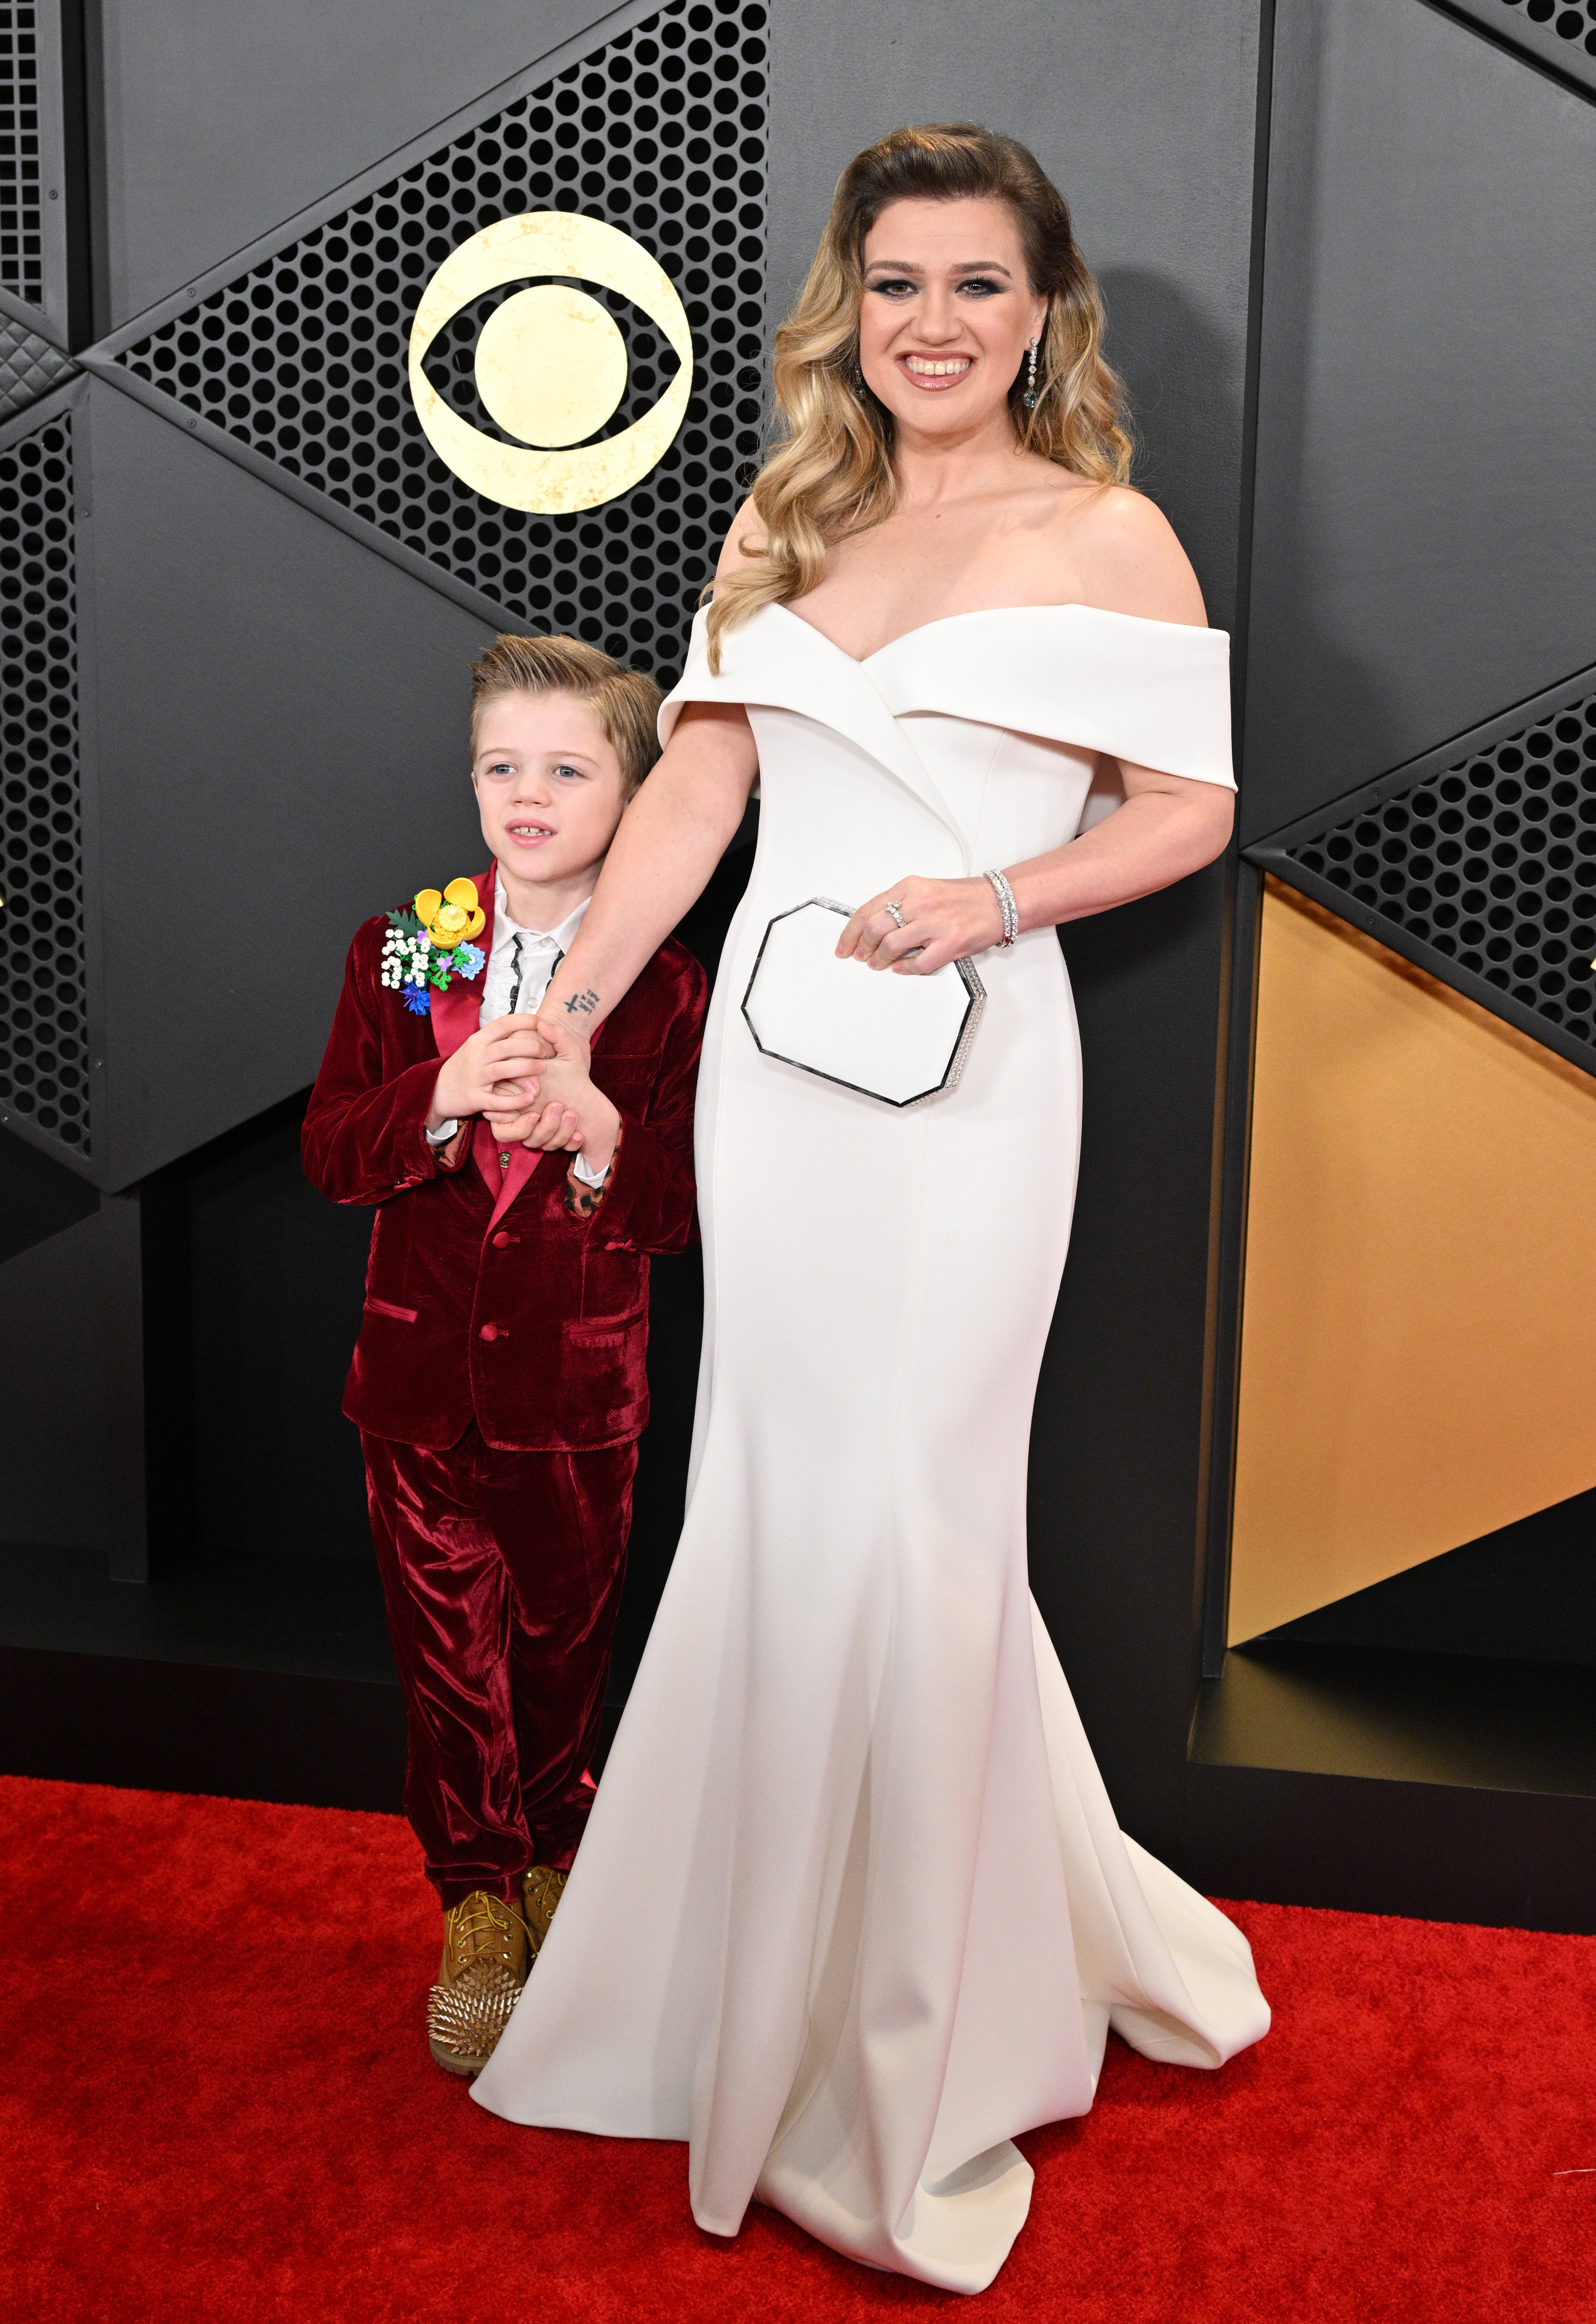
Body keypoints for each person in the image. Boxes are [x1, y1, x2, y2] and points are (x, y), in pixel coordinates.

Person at [474, 125, 1269, 2292]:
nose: (933, 324)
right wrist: (563, 1009)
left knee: (919, 1512)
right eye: (897, 282)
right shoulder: (785, 511)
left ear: (1044, 312)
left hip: (978, 1071)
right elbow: (707, 783)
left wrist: (994, 895)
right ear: (855, 303)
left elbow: (1191, 811)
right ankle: (752, 1983)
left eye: (977, 286)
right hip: (776, 1074)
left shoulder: (1108, 531)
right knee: (778, 1498)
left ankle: (908, 2057)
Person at [301, 635, 708, 2077]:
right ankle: (476, 1896)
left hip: (578, 1396)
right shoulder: (401, 946)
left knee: (556, 1648)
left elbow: (690, 1206)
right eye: (499, 765)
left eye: (565, 767)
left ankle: (553, 1852)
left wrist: (600, 1136)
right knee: (445, 1663)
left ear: (637, 788)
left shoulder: (671, 987)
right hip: (413, 1393)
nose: (525, 794)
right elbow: (330, 1154)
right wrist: (436, 1094)